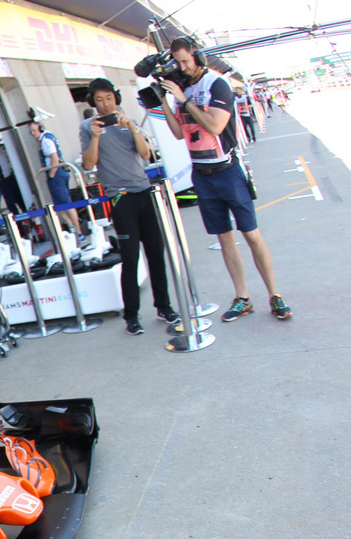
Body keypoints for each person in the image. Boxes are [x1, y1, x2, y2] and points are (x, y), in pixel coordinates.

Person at [159, 38, 291, 321]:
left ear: (199, 59)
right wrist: (164, 101)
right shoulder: (182, 90)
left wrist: (184, 100)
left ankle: (275, 295)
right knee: (224, 238)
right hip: (202, 175)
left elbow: (216, 125)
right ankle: (242, 297)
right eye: (177, 62)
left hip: (228, 170)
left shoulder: (217, 85)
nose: (182, 67)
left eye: (186, 61)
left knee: (251, 234)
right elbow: (179, 133)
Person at [80, 77, 179, 337]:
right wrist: (96, 136)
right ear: (93, 101)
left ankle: (164, 306)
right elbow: (89, 164)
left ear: (116, 97)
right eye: (99, 99)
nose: (105, 104)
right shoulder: (87, 127)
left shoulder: (128, 122)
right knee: (131, 259)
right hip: (121, 198)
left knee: (156, 254)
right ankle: (132, 316)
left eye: (109, 98)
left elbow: (146, 155)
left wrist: (133, 128)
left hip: (144, 193)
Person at [29, 121, 82, 235]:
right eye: (31, 131)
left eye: (34, 130)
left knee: (65, 203)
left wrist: (52, 174)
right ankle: (71, 227)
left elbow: (54, 157)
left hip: (57, 173)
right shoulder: (47, 137)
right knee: (59, 205)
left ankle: (78, 231)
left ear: (41, 128)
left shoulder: (46, 140)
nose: (33, 133)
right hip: (59, 172)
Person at [0, 143, 25, 215]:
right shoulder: (3, 150)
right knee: (20, 201)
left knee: (11, 205)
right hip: (13, 177)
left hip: (5, 181)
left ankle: (18, 224)